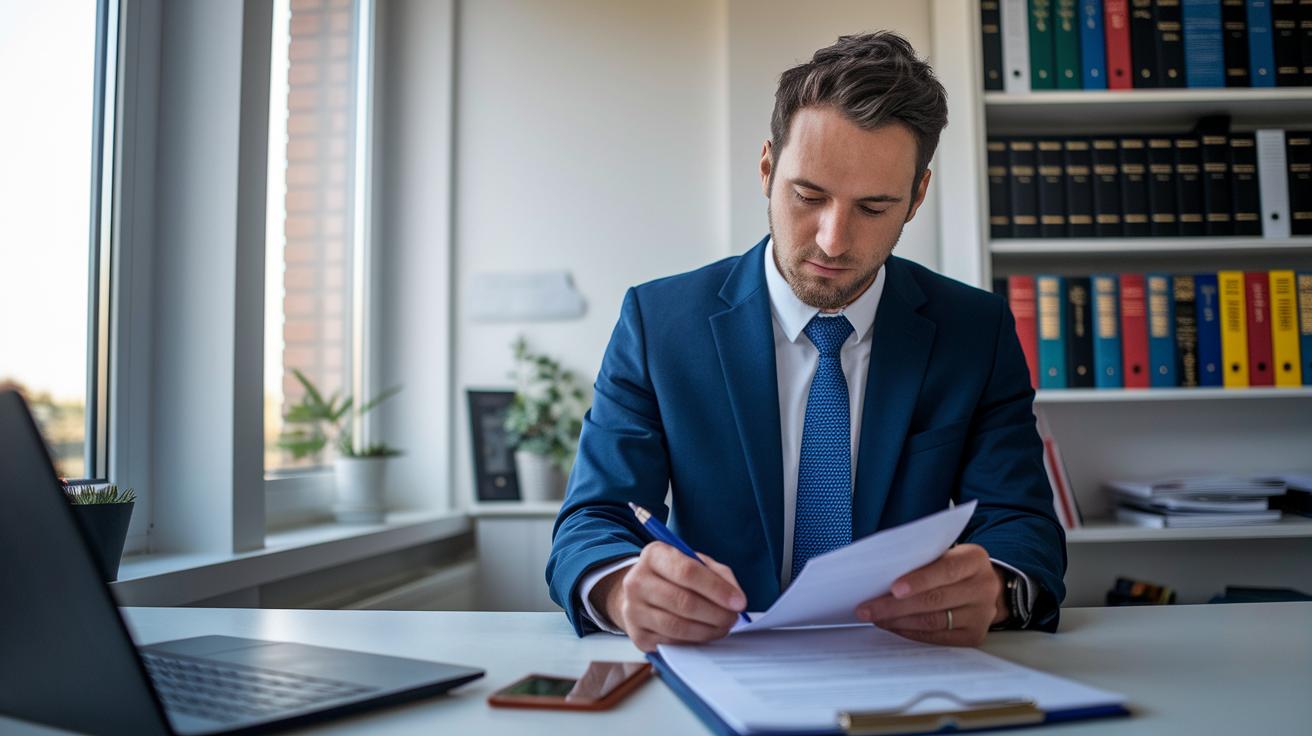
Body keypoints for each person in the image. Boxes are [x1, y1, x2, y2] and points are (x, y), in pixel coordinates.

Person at [545, 31, 1065, 653]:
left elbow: (1022, 522)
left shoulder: (974, 331)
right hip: (723, 658)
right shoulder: (659, 325)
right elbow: (592, 520)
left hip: (905, 667)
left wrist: (1001, 588)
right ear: (767, 168)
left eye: (874, 208)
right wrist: (624, 587)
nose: (832, 241)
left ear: (917, 197)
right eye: (808, 196)